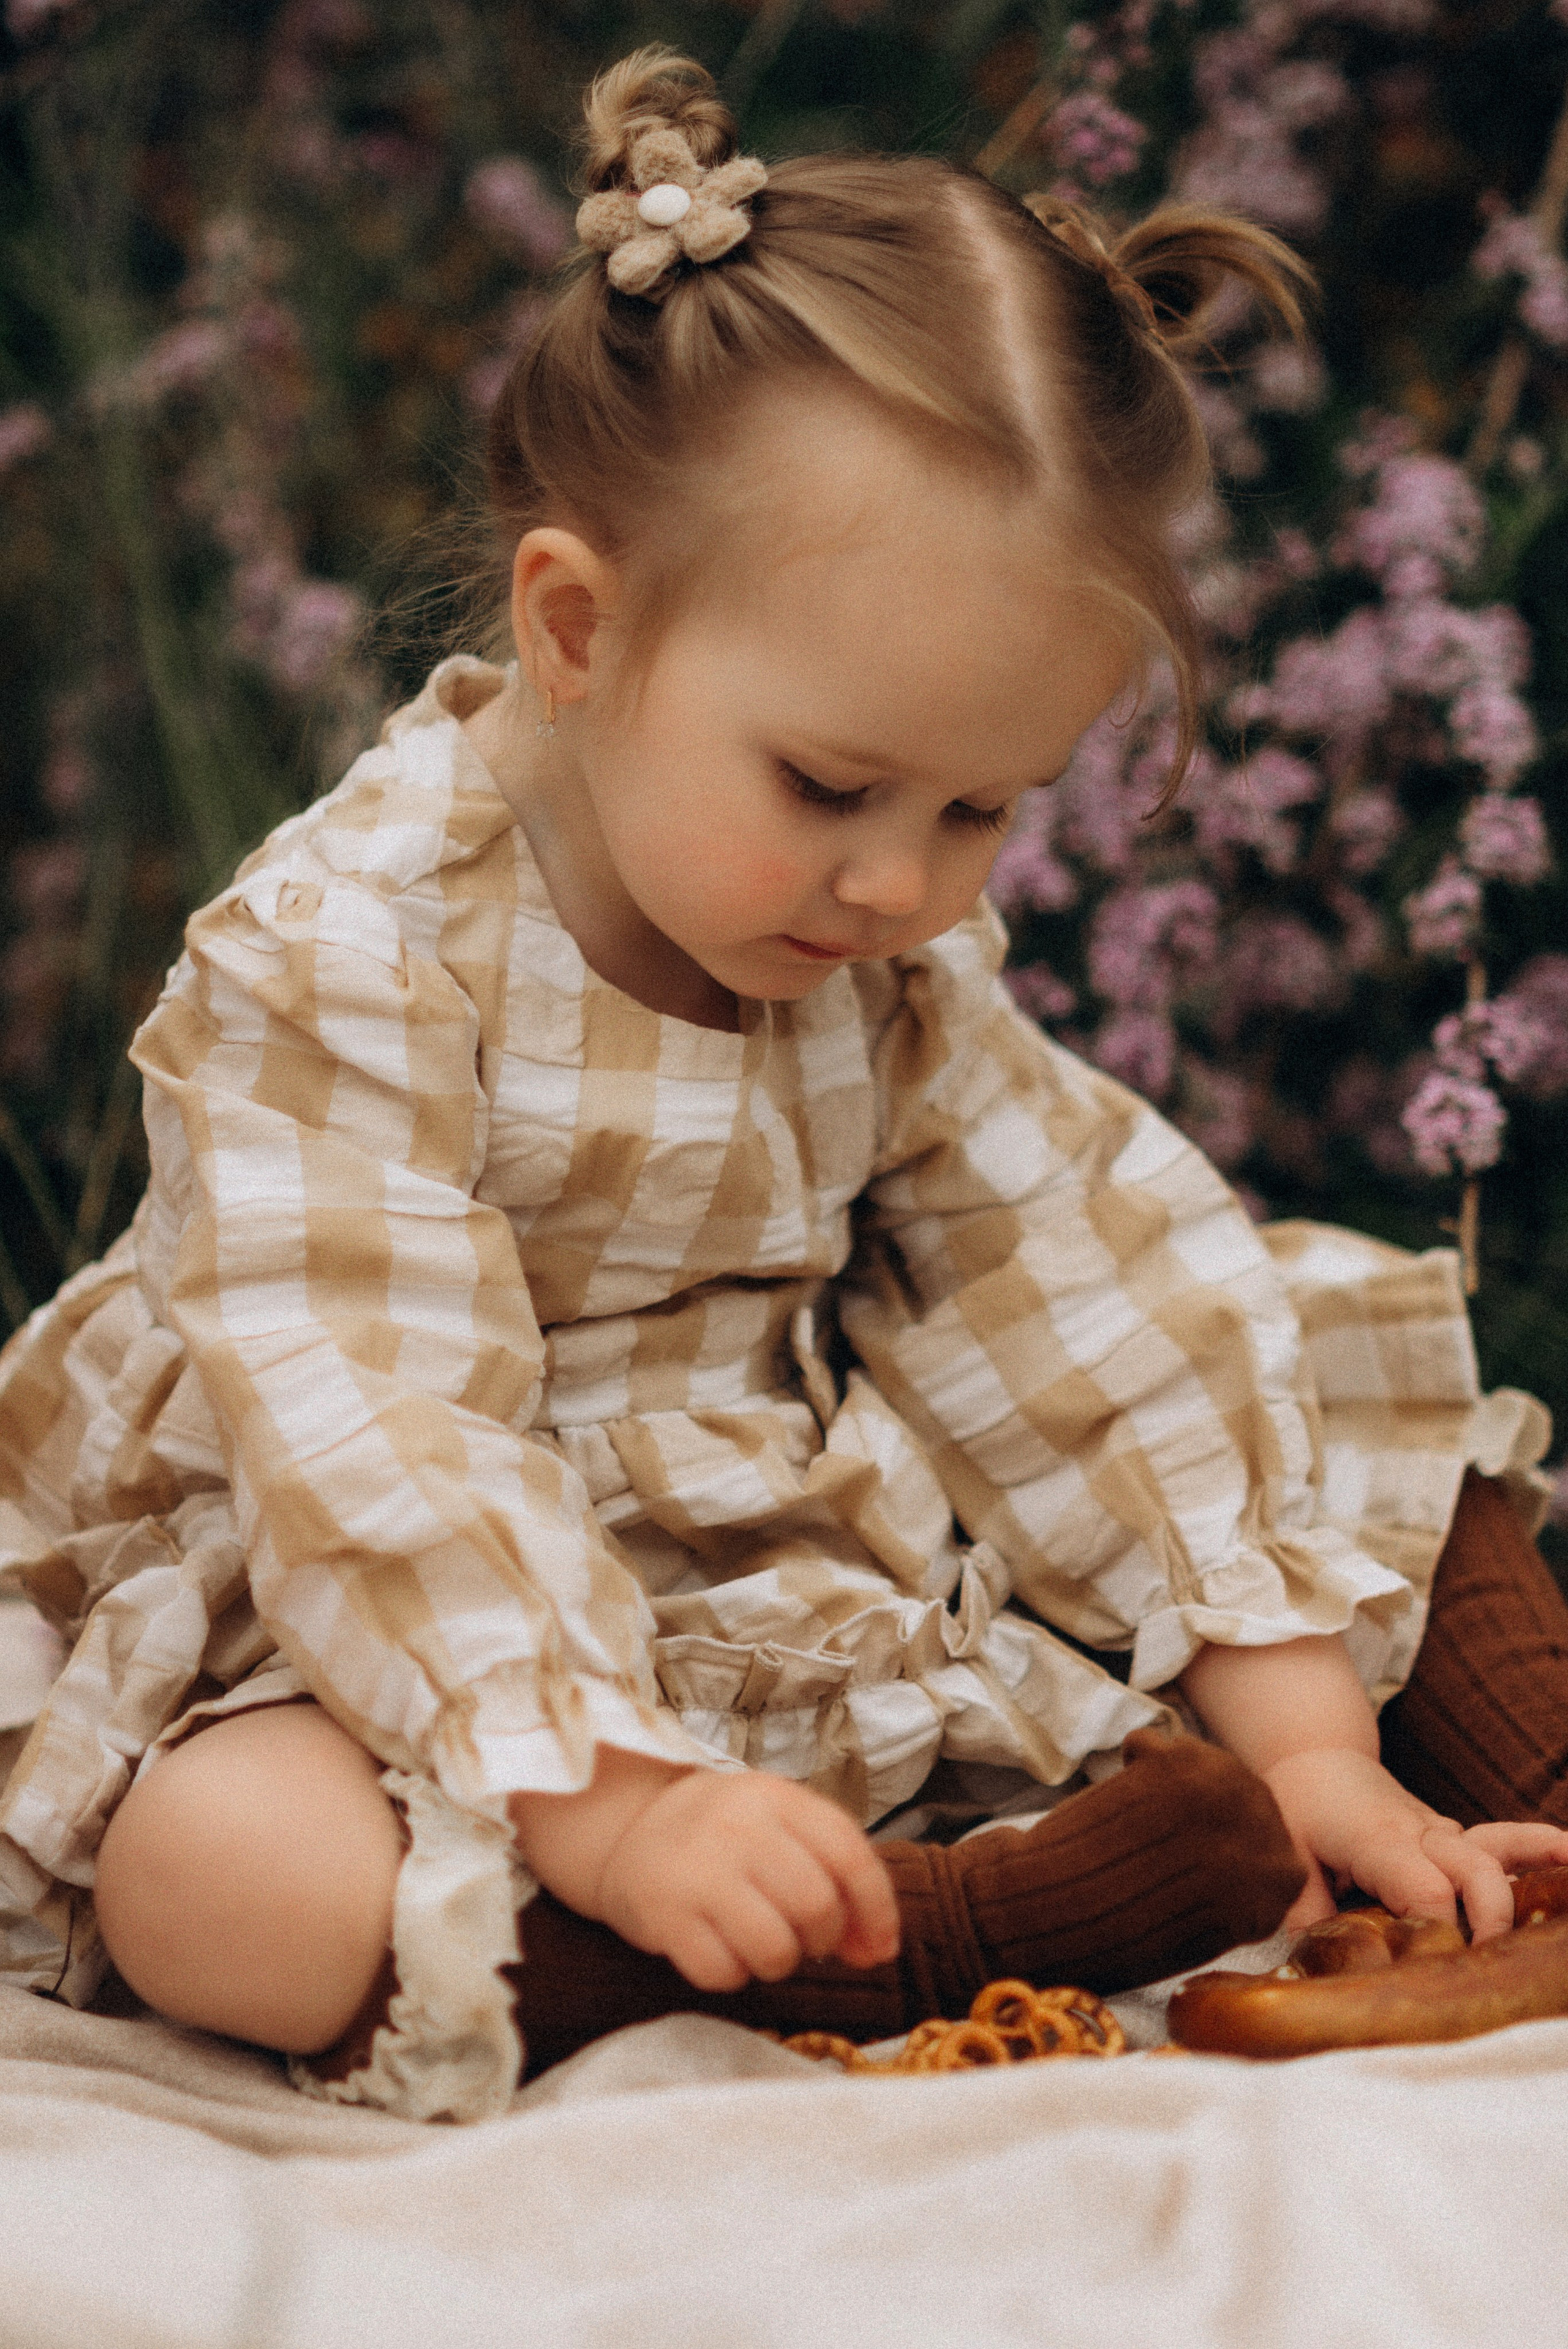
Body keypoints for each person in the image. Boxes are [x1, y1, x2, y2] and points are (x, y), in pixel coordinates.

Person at [1, 46, 1565, 2122]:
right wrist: (622, 1800)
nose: (901, 882)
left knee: (1329, 1356)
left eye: (983, 807)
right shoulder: (350, 959)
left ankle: (1486, 1789)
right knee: (232, 1876)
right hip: (393, 1596)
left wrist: (1305, 1751)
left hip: (762, 1530)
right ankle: (906, 1935)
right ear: (577, 624)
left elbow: (1069, 1285)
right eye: (832, 784)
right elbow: (368, 1420)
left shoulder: (882, 951)